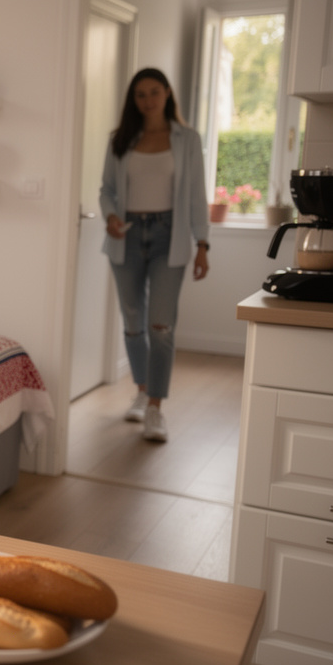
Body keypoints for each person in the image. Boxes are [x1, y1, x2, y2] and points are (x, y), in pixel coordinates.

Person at [98, 67, 210, 443]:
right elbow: (107, 190)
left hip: (169, 237)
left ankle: (156, 409)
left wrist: (203, 245)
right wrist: (111, 215)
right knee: (133, 322)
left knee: (161, 326)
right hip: (126, 236)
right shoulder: (120, 140)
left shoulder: (187, 139)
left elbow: (196, 196)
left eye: (153, 92)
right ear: (134, 99)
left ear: (166, 93)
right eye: (140, 94)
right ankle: (142, 391)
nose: (147, 100)